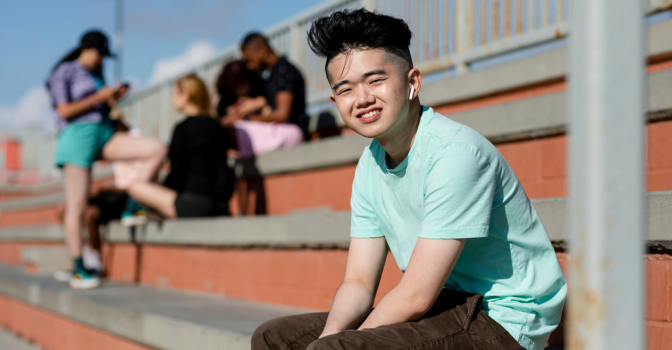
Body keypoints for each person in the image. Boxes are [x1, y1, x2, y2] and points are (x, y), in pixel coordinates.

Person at [252, 9, 566, 350]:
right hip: (444, 304)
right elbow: (358, 282)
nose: (362, 99)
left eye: (375, 80)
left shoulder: (455, 153)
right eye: (345, 89)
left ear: (412, 81)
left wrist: (345, 342)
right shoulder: (370, 164)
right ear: (335, 100)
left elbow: (416, 295)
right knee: (274, 338)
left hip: (503, 317)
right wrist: (331, 335)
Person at [46, 30, 167, 289]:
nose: (102, 60)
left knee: (156, 148)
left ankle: (132, 203)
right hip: (77, 136)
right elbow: (64, 110)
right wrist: (98, 97)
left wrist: (112, 98)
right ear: (89, 49)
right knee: (76, 204)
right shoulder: (64, 72)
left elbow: (101, 107)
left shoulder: (97, 75)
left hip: (105, 134)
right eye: (101, 54)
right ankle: (79, 267)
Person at [126, 74, 234, 218]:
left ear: (186, 96)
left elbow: (176, 176)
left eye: (174, 93)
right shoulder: (217, 126)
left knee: (134, 186)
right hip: (221, 204)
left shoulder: (183, 128)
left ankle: (150, 212)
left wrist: (158, 196)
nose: (171, 99)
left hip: (194, 205)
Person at [219, 33, 307, 158]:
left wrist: (245, 118)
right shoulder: (274, 73)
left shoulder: (284, 71)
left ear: (261, 50)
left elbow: (282, 114)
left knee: (233, 130)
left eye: (249, 60)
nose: (249, 65)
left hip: (291, 132)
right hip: (282, 130)